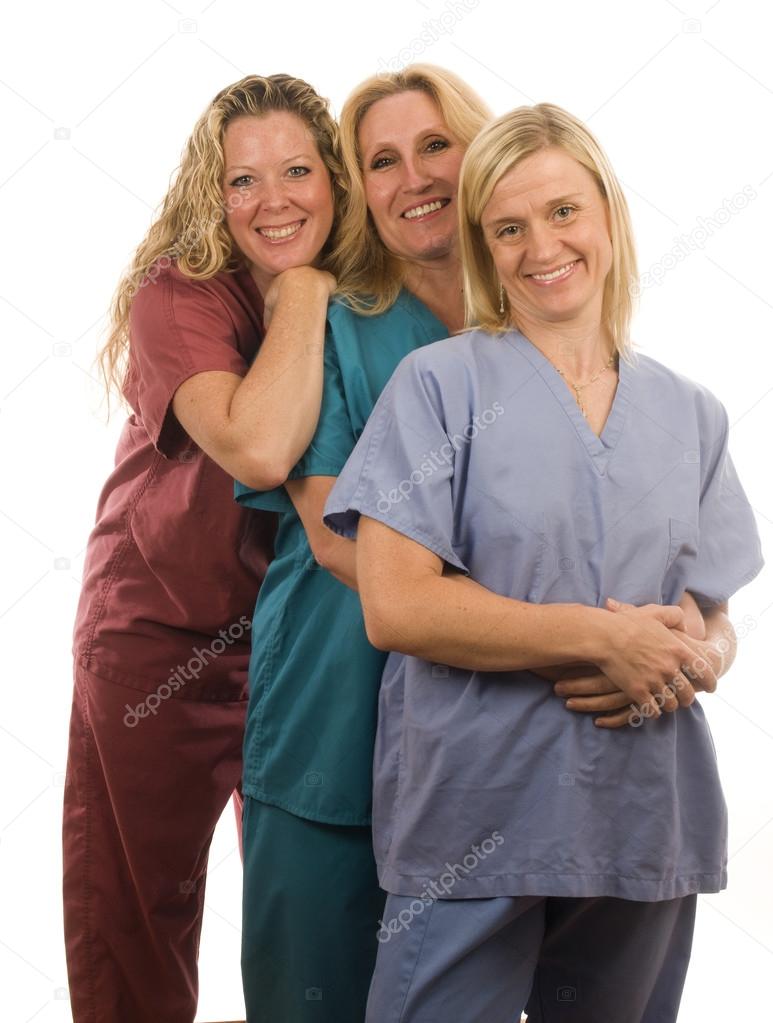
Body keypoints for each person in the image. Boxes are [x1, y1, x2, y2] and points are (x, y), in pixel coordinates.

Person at [323, 103, 763, 1022]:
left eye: (563, 212)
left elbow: (708, 609)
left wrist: (700, 656)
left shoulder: (688, 411)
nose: (541, 247)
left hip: (641, 810)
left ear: (607, 215)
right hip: (475, 813)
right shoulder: (441, 386)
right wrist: (597, 641)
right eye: (508, 228)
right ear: (483, 248)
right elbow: (396, 607)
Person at [63, 74, 343, 1023]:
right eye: (243, 181)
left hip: (299, 642)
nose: (274, 202)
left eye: (298, 170)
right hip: (158, 638)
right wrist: (303, 291)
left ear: (335, 179)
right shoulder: (179, 294)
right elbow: (259, 447)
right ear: (210, 195)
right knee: (139, 918)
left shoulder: (372, 291)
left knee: (312, 911)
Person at [234, 65, 490, 1023]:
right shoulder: (334, 322)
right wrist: (556, 625)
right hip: (329, 733)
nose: (411, 178)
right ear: (357, 187)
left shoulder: (539, 316)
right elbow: (338, 539)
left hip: (480, 747)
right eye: (379, 160)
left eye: (434, 146)